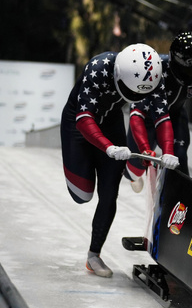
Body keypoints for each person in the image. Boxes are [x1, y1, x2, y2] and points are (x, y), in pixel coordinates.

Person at [60, 43, 163, 278]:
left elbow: (151, 116)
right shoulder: (98, 68)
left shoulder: (151, 74)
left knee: (109, 192)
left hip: (111, 121)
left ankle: (93, 255)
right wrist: (108, 148)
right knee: (82, 195)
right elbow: (85, 119)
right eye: (133, 92)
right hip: (79, 122)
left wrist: (148, 149)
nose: (136, 97)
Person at [125, 31, 192, 187]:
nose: (190, 75)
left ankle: (182, 199)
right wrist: (144, 148)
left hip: (175, 117)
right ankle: (134, 176)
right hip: (147, 119)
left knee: (179, 158)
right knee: (134, 169)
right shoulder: (154, 69)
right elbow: (136, 113)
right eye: (185, 70)